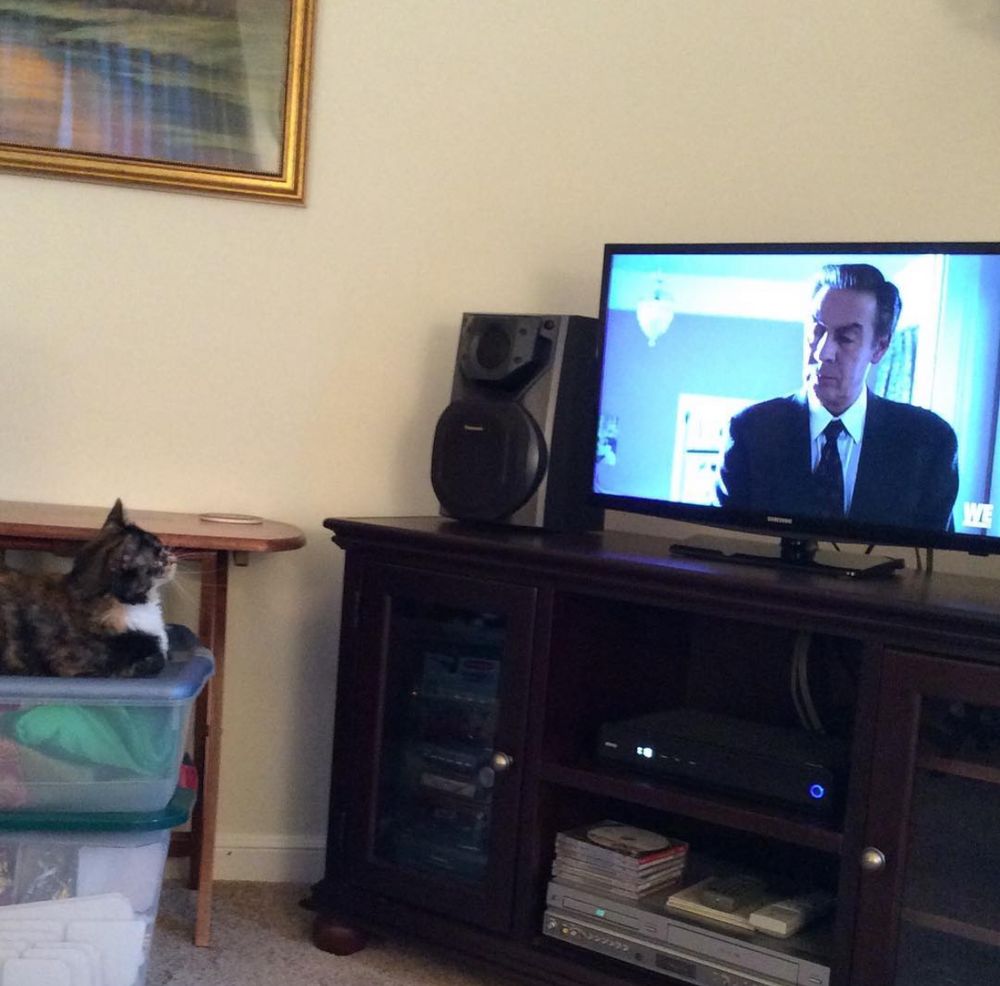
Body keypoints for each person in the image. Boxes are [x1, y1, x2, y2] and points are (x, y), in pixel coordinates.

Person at [716, 263, 958, 530]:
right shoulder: (751, 431)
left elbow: (938, 558)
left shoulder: (929, 442)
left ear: (879, 347)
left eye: (845, 338)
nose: (823, 352)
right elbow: (724, 543)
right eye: (817, 330)